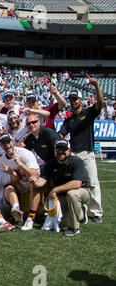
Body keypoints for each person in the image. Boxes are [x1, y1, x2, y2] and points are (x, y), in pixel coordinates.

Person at [58, 75, 104, 223]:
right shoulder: (68, 120)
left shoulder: (89, 113)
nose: (72, 102)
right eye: (70, 100)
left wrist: (96, 85)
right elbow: (61, 134)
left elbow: (100, 103)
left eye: (75, 99)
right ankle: (80, 207)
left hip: (87, 153)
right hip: (74, 155)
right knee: (75, 184)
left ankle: (97, 212)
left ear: (80, 100)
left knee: (92, 182)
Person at [33, 139, 90, 236]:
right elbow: (42, 181)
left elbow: (76, 183)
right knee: (64, 222)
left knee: (72, 194)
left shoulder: (77, 162)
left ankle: (74, 228)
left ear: (69, 150)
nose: (61, 152)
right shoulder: (51, 164)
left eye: (64, 149)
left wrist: (55, 189)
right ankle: (81, 212)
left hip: (81, 191)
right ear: (54, 151)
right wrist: (33, 181)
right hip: (62, 196)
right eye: (58, 149)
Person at [0, 132, 40, 231]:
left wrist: (20, 163)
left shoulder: (25, 153)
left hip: (30, 188)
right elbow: (10, 180)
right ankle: (16, 208)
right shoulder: (2, 161)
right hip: (17, 191)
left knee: (34, 183)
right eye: (4, 143)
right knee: (8, 188)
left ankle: (30, 218)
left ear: (12, 141)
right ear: (1, 146)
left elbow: (36, 174)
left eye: (8, 142)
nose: (7, 145)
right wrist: (12, 174)